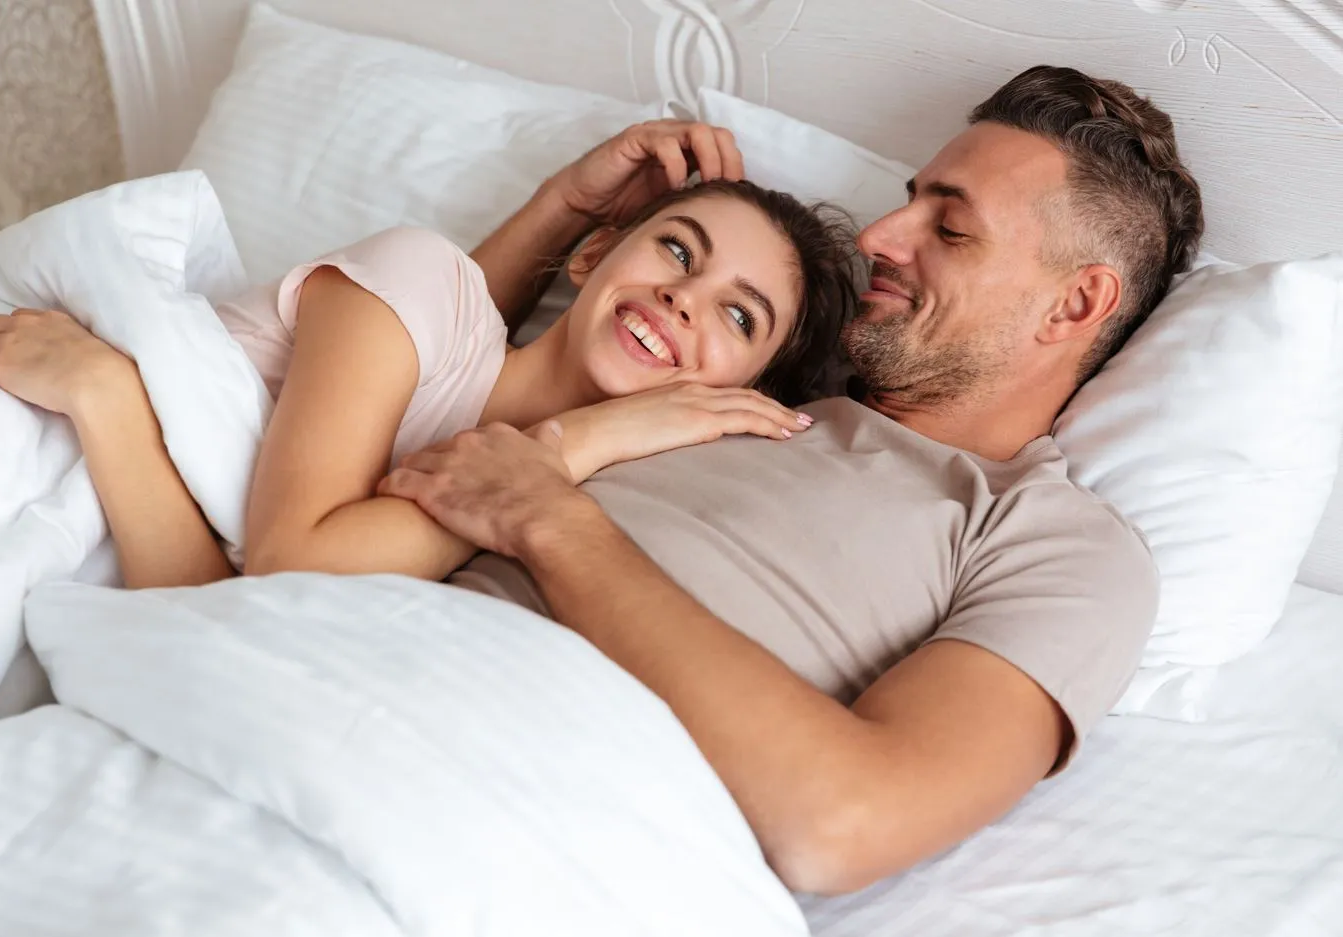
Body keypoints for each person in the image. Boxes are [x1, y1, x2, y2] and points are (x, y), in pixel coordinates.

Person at [378, 65, 1206, 895]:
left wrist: (551, 521)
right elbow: (450, 374)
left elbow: (842, 825)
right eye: (907, 199)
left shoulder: (1057, 543)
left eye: (948, 230)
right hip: (345, 661)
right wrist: (566, 209)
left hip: (485, 809)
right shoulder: (723, 378)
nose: (879, 236)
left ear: (1073, 305)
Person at [0, 178, 863, 589]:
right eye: (676, 248)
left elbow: (212, 612)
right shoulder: (424, 288)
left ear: (740, 395)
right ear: (596, 254)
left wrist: (111, 403)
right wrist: (575, 442)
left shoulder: (573, 531)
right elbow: (290, 564)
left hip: (84, 478)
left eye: (738, 317)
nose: (682, 296)